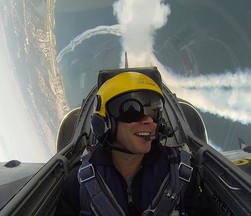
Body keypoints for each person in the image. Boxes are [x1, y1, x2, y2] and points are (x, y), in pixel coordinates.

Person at [55, 69, 212, 216]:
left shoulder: (180, 174)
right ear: (104, 122)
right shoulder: (78, 184)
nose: (149, 120)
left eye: (154, 111)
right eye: (132, 112)